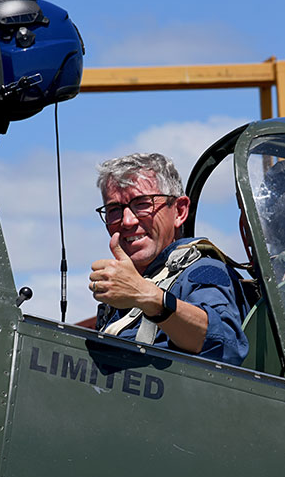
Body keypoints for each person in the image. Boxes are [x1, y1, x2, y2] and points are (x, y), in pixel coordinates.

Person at [88, 153, 249, 365]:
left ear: (180, 211)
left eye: (143, 204)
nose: (127, 221)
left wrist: (148, 297)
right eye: (114, 210)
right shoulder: (121, 291)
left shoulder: (203, 271)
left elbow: (226, 346)